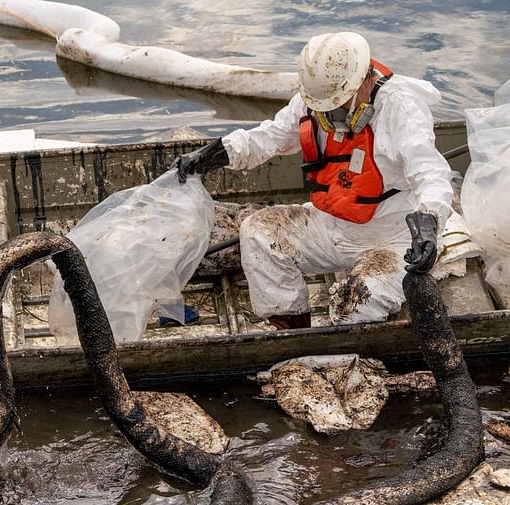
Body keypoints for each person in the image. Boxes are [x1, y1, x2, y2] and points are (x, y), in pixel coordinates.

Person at [173, 32, 452, 329]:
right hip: (331, 225)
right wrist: (215, 154)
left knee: (354, 302)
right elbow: (270, 137)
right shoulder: (312, 102)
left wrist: (429, 223)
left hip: (391, 239)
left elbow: (430, 172)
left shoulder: (400, 106)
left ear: (365, 80)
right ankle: (292, 329)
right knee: (258, 231)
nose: (332, 114)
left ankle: (365, 327)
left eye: (339, 104)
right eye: (327, 106)